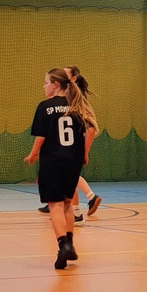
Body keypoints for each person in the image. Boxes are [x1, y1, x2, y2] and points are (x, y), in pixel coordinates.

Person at [25, 68, 97, 270]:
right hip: (73, 161)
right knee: (67, 203)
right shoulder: (77, 105)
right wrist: (85, 154)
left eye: (46, 82)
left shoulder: (45, 107)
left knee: (55, 205)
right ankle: (70, 244)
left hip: (53, 161)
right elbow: (90, 131)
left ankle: (63, 246)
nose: (44, 86)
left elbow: (41, 137)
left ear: (55, 85)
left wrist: (33, 154)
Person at [36, 66, 102, 220]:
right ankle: (75, 206)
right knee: (67, 178)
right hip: (64, 149)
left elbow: (91, 129)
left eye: (65, 74)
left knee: (68, 177)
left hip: (69, 149)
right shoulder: (61, 101)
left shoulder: (73, 101)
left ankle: (80, 206)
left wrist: (85, 152)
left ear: (72, 79)